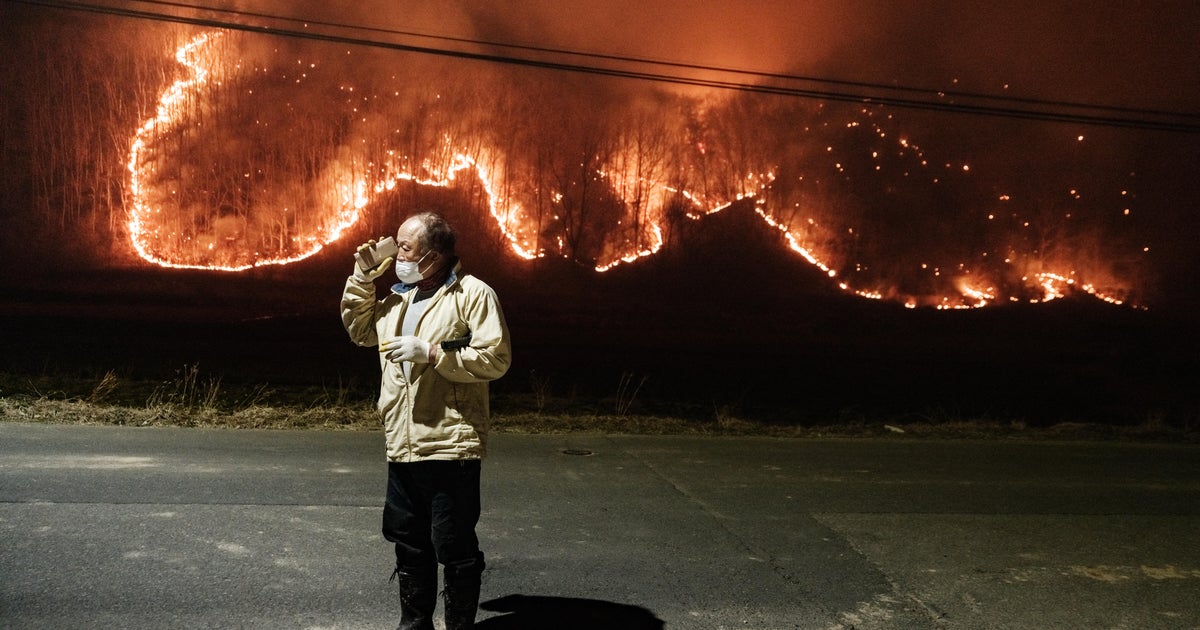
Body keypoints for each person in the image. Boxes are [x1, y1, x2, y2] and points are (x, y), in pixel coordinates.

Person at [341, 211, 512, 630]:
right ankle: (414, 625)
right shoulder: (398, 299)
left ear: (433, 256)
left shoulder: (473, 294)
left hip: (450, 442)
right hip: (403, 442)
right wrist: (362, 277)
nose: (396, 254)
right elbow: (360, 330)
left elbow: (496, 358)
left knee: (452, 543)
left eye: (405, 247)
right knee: (408, 541)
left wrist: (435, 354)